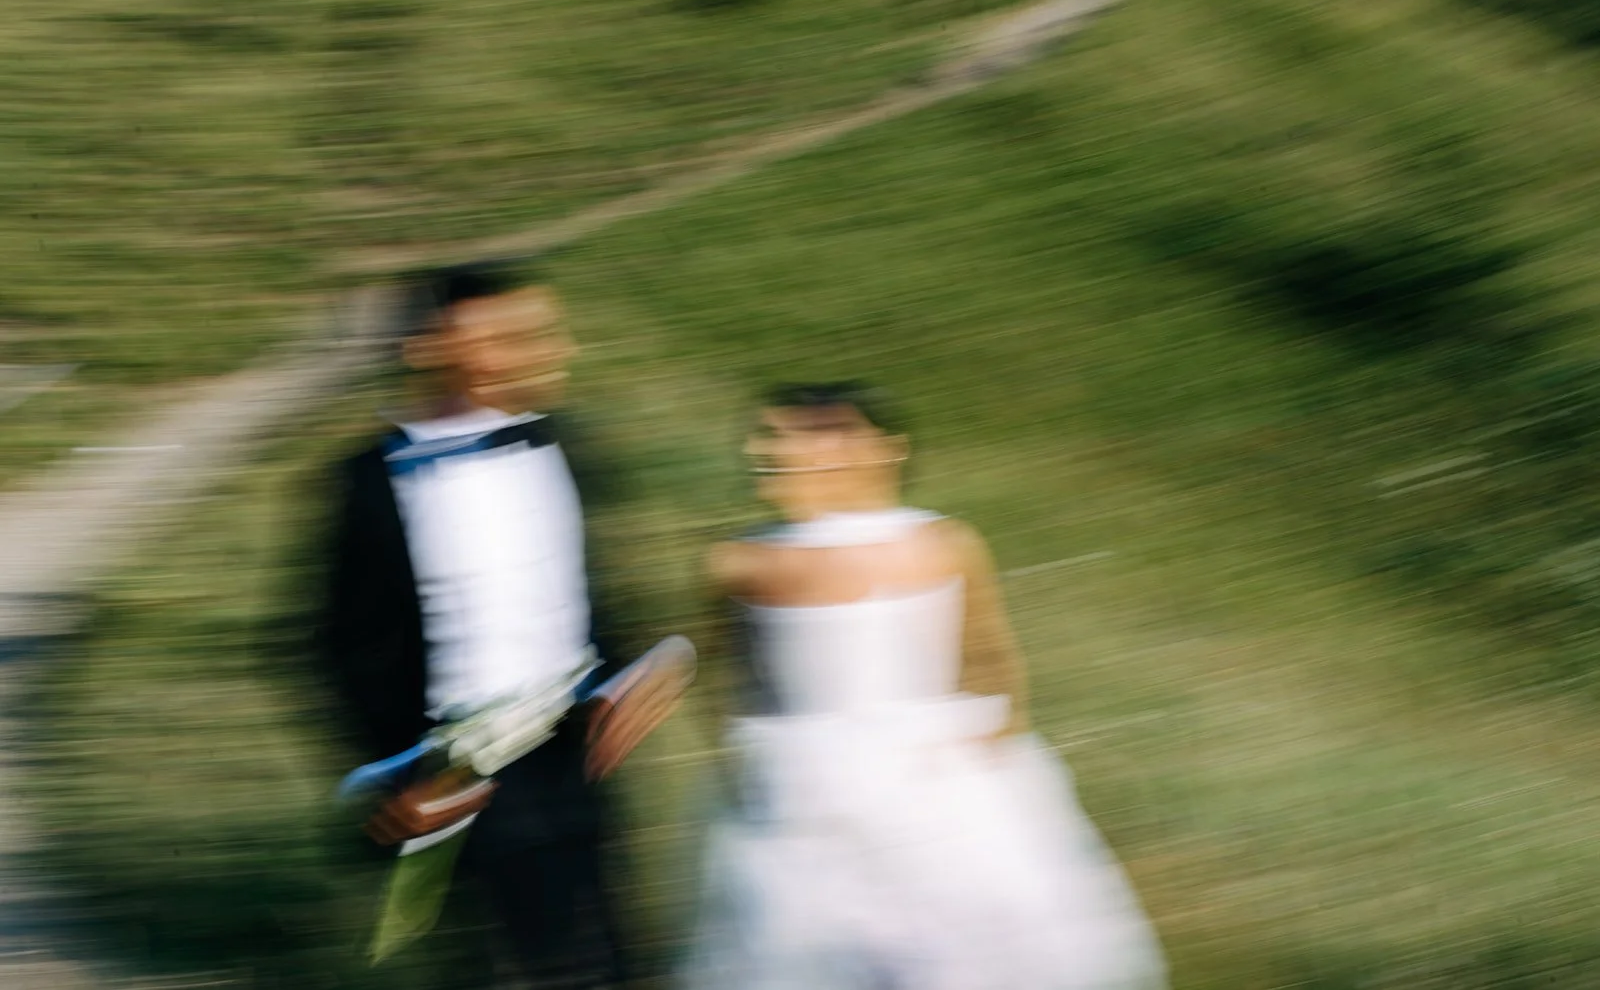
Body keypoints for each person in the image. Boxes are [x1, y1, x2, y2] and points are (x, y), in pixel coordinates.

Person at [682, 383, 1168, 990]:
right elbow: (720, 674)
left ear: (876, 450)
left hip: (933, 780)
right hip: (804, 788)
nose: (770, 451)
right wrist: (743, 769)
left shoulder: (940, 544)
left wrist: (992, 755)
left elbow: (988, 655)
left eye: (803, 436)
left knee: (965, 945)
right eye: (767, 437)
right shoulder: (740, 561)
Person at [312, 260, 653, 988]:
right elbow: (338, 644)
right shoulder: (365, 480)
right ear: (428, 348)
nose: (545, 350)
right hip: (455, 777)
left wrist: (626, 677)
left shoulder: (562, 444)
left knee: (611, 957)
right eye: (508, 337)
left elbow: (586, 591)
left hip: (574, 763)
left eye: (543, 333)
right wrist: (389, 776)